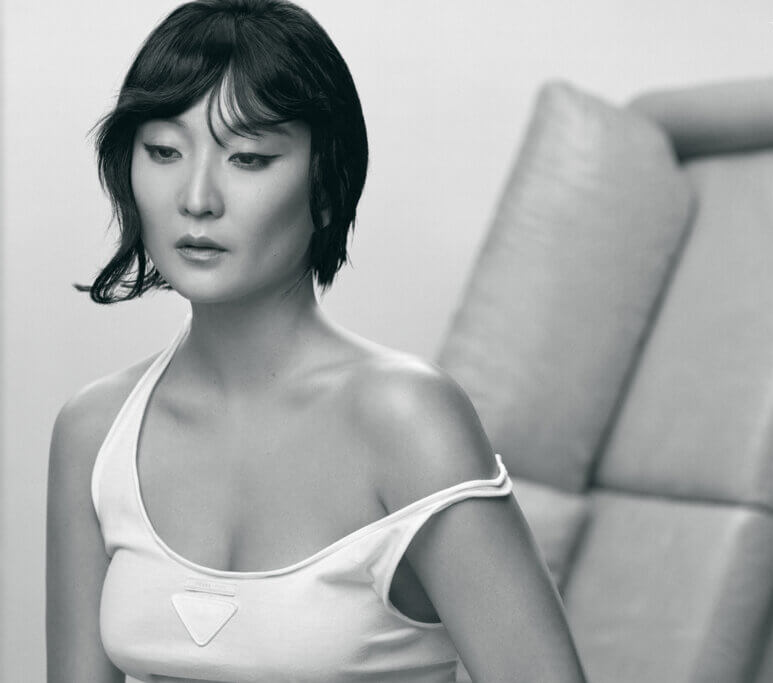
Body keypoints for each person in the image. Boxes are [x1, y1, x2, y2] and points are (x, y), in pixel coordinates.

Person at [45, 1, 587, 681]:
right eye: (163, 151)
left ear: (326, 186)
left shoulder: (408, 420)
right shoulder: (94, 433)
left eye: (248, 157)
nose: (197, 197)